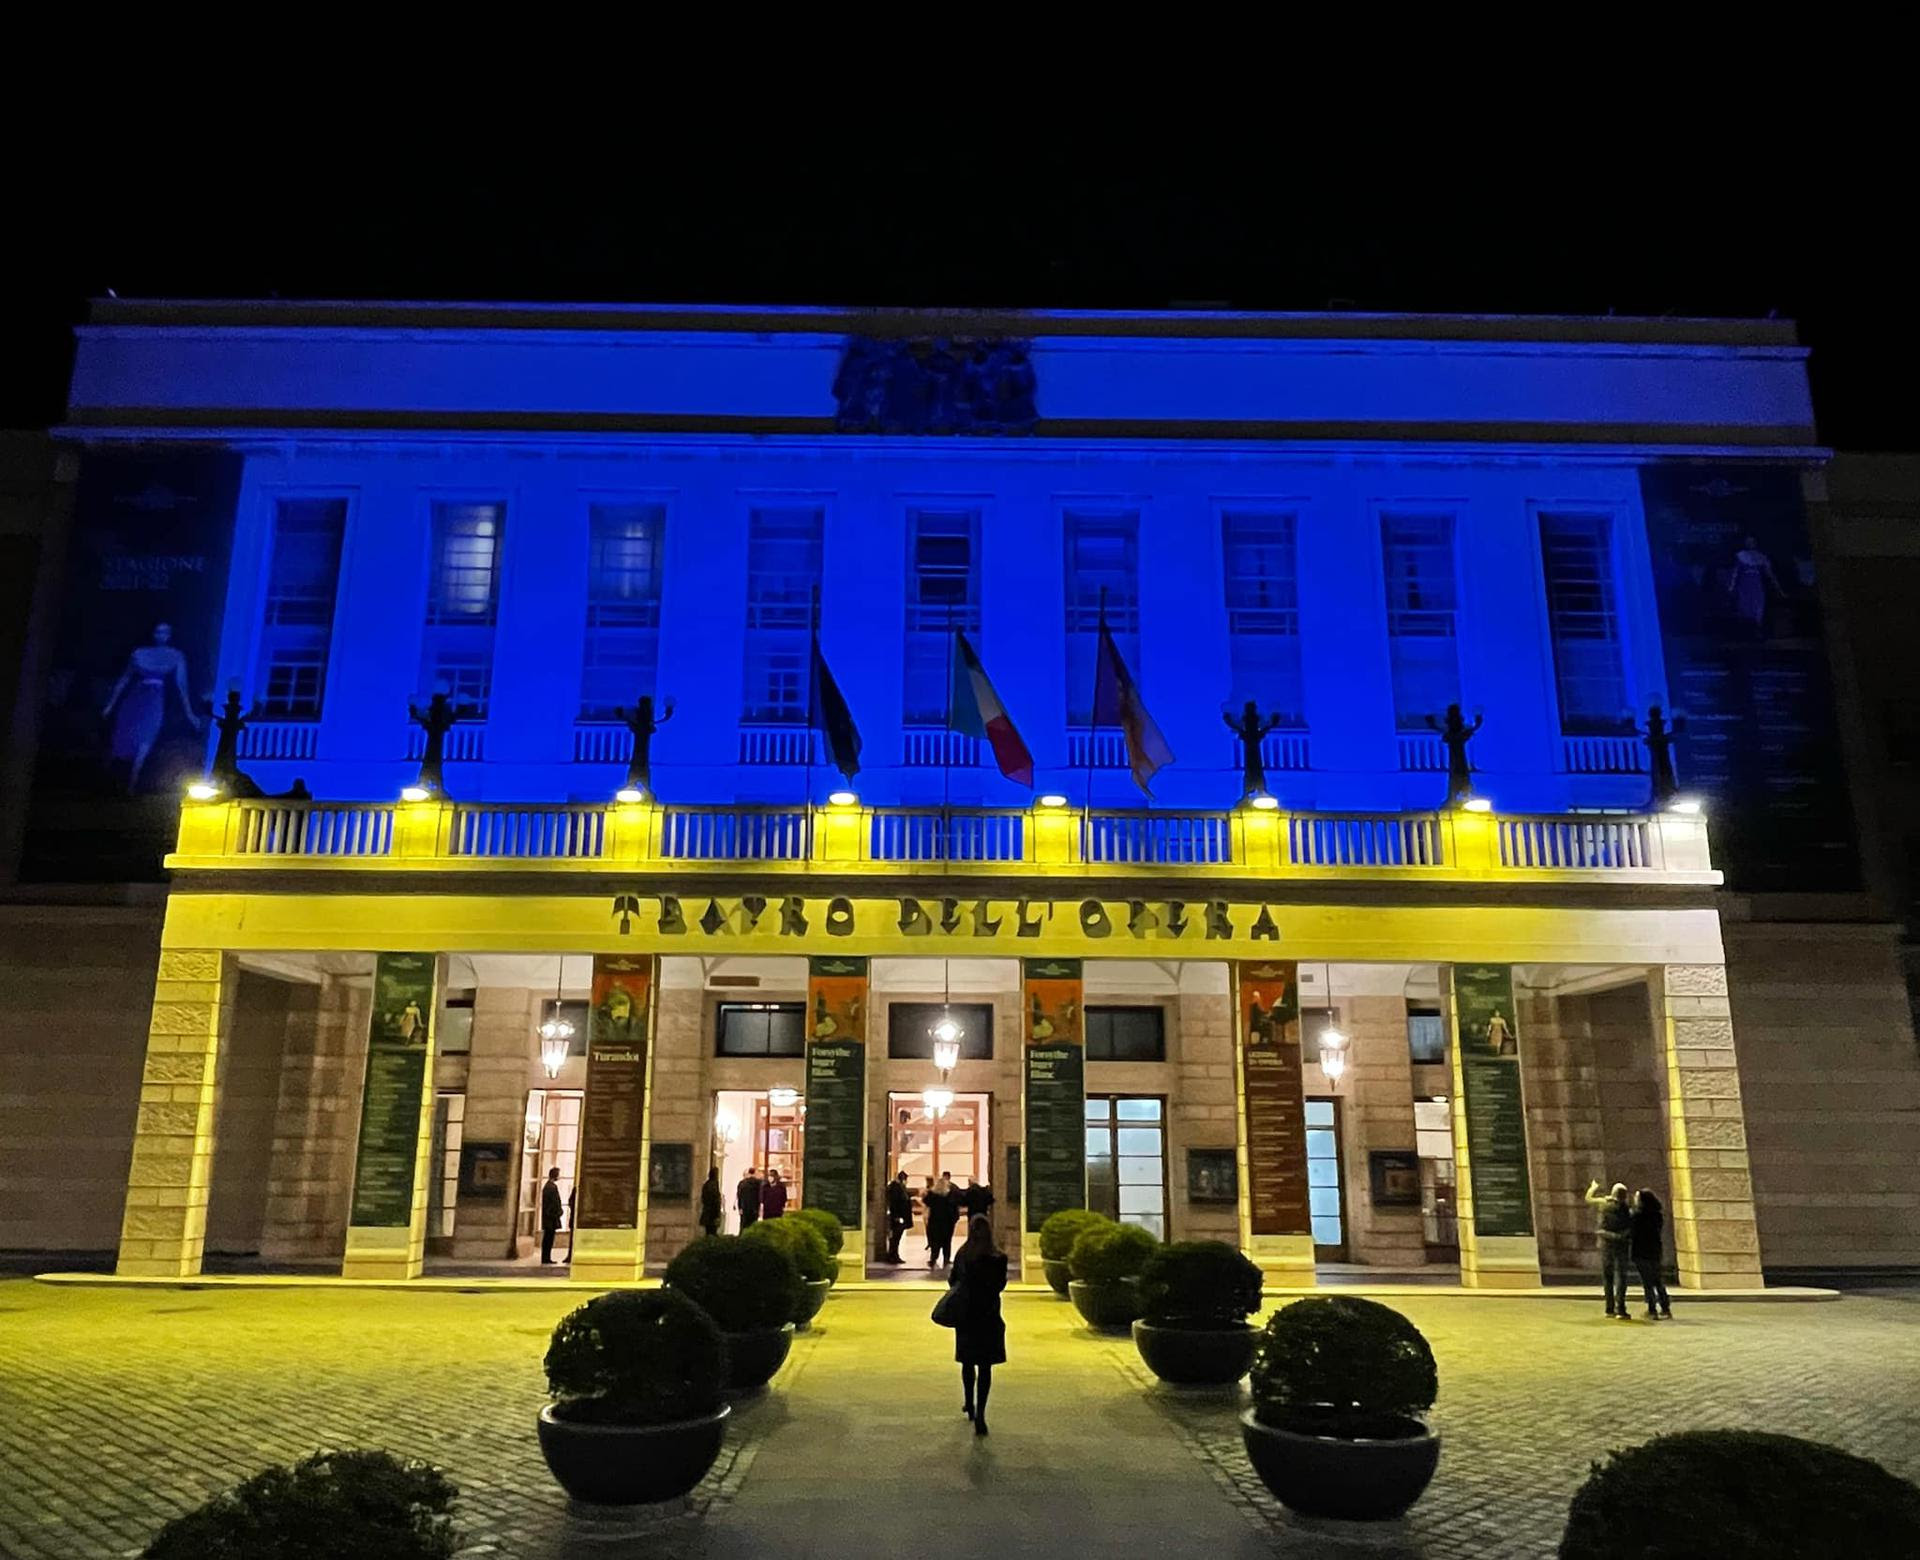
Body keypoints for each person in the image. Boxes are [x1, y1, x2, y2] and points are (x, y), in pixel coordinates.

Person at [947, 1214, 1008, 1436]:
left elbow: (952, 1280)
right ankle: (981, 1413)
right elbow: (1001, 1285)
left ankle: (968, 1403)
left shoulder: (964, 1255)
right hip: (989, 1314)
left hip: (967, 1313)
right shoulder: (998, 1257)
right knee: (985, 1366)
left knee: (967, 1361)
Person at [1585, 1179, 1634, 1319]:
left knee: (1608, 1277)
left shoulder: (1604, 1204)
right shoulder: (1627, 1209)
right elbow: (1630, 1228)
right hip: (1621, 1245)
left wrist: (1593, 1187)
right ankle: (1621, 1308)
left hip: (1606, 1244)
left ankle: (1609, 1308)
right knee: (1621, 1277)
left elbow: (1588, 1199)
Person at [1632, 1188, 1673, 1319]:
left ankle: (1652, 1309)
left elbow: (1633, 1232)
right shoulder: (1657, 1215)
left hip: (1641, 1251)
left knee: (1647, 1283)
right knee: (1657, 1280)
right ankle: (1665, 1307)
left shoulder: (1637, 1216)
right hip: (1655, 1250)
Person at [924, 1172, 960, 1269]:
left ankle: (933, 1258)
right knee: (947, 1242)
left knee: (935, 1242)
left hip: (934, 1222)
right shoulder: (950, 1195)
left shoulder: (932, 1195)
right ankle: (946, 1259)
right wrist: (955, 1219)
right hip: (947, 1223)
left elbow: (926, 1201)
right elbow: (954, 1208)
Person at [884, 1170, 912, 1263]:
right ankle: (893, 1255)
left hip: (899, 1216)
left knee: (896, 1238)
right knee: (895, 1238)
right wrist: (897, 1216)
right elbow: (896, 1204)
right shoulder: (896, 1188)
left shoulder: (898, 1187)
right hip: (898, 1217)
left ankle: (894, 1255)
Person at [539, 1168, 565, 1265]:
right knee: (548, 1238)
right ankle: (546, 1258)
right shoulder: (552, 1187)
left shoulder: (548, 1186)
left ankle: (546, 1257)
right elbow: (554, 1203)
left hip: (549, 1217)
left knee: (548, 1238)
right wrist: (558, 1212)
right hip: (551, 1218)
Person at [698, 1167, 723, 1238]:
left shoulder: (706, 1184)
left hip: (707, 1211)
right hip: (712, 1212)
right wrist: (717, 1213)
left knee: (708, 1232)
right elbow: (716, 1199)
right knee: (713, 1232)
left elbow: (703, 1198)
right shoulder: (714, 1184)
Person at [736, 1167, 763, 1232]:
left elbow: (739, 1196)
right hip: (754, 1208)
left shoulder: (742, 1183)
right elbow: (760, 1195)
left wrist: (740, 1207)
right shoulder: (758, 1183)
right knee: (753, 1226)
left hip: (744, 1207)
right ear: (754, 1173)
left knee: (744, 1225)